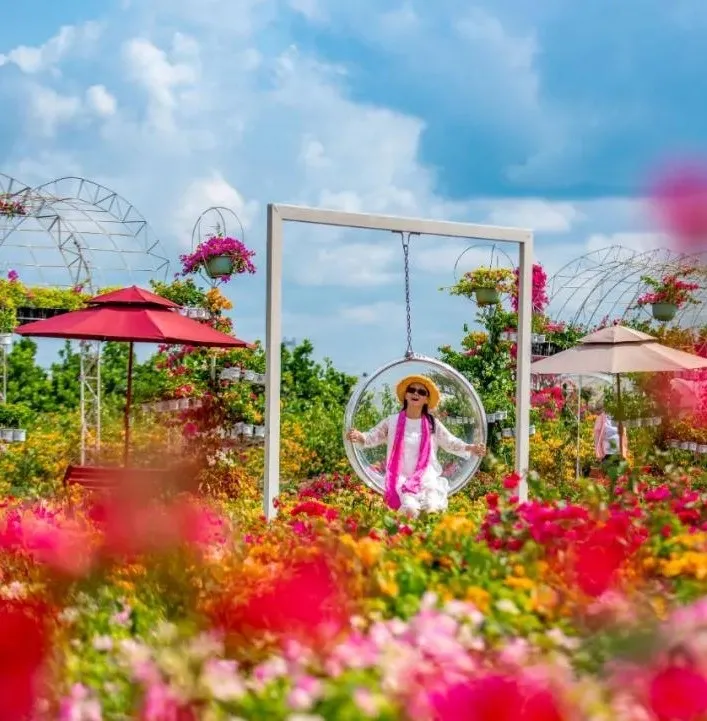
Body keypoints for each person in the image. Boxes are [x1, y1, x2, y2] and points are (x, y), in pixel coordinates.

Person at [346, 374, 486, 517]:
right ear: (406, 395)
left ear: (426, 399)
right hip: (401, 480)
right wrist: (359, 436)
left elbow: (450, 442)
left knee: (432, 510)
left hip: (428, 479)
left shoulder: (432, 423)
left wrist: (470, 448)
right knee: (410, 510)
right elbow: (373, 436)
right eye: (411, 390)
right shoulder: (392, 422)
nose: (415, 394)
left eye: (421, 392)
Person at [593, 397, 628, 463]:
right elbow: (597, 435)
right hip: (607, 451)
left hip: (618, 449)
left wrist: (624, 451)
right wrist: (599, 452)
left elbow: (624, 434)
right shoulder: (601, 417)